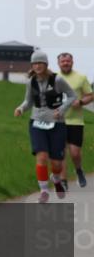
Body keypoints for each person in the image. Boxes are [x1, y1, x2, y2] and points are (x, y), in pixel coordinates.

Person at [14, 50, 77, 202]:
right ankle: (44, 191)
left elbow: (72, 96)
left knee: (56, 163)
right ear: (32, 66)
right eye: (34, 63)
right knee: (41, 156)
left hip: (57, 124)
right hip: (36, 123)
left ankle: (55, 179)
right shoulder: (31, 82)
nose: (37, 66)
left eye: (40, 63)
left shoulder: (57, 80)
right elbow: (28, 101)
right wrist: (21, 108)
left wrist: (61, 110)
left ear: (46, 64)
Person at [57, 52, 94, 189]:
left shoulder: (81, 77)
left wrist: (81, 102)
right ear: (58, 63)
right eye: (63, 61)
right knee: (61, 152)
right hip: (58, 121)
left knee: (75, 153)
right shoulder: (54, 78)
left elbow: (90, 96)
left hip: (76, 121)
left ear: (72, 62)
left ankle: (79, 170)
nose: (65, 63)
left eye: (68, 61)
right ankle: (63, 180)